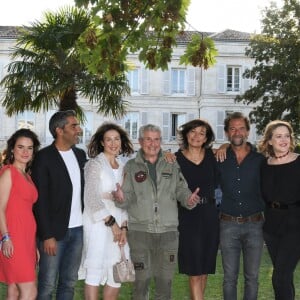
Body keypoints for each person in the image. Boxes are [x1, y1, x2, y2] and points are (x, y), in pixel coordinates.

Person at [113, 124, 200, 300]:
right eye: (148, 139)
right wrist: (121, 197)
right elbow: (127, 198)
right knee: (141, 282)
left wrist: (189, 199)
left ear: (161, 141)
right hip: (140, 234)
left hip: (168, 234)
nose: (152, 144)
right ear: (140, 141)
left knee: (165, 283)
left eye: (156, 139)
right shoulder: (131, 166)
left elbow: (181, 190)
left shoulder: (171, 163)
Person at [31, 110, 87, 300]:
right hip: (54, 234)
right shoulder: (44, 157)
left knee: (69, 283)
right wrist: (47, 236)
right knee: (47, 285)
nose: (78, 129)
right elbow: (40, 200)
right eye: (74, 126)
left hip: (78, 231)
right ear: (59, 130)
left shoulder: (80, 155)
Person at [79, 122, 134, 300]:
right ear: (102, 142)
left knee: (116, 271)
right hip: (98, 223)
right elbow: (91, 198)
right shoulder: (94, 164)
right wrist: (112, 224)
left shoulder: (124, 166)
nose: (113, 143)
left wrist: (124, 227)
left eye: (116, 139)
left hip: (119, 219)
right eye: (108, 139)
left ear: (121, 141)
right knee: (94, 272)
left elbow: (125, 201)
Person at [217, 112, 265, 300]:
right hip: (228, 225)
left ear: (247, 131)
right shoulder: (219, 157)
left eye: (241, 128)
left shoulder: (260, 160)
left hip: (255, 225)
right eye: (233, 128)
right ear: (227, 133)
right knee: (229, 278)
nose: (237, 132)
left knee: (252, 278)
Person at [176, 119, 219, 300]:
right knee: (194, 269)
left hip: (210, 215)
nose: (197, 136)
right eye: (193, 131)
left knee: (204, 269)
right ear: (186, 134)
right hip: (188, 216)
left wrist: (224, 146)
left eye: (202, 133)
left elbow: (236, 148)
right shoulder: (175, 159)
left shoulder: (213, 156)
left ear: (207, 138)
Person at [258, 120, 300, 300]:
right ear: (269, 141)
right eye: (278, 136)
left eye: (287, 136)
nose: (284, 140)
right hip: (271, 226)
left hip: (295, 225)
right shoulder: (263, 165)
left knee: (279, 277)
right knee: (285, 277)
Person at [0, 128, 40, 300]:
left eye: (29, 148)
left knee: (14, 289)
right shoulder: (9, 173)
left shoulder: (27, 176)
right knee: (29, 290)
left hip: (27, 238)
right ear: (12, 149)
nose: (25, 152)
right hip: (13, 237)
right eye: (21, 147)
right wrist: (5, 237)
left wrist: (34, 245)